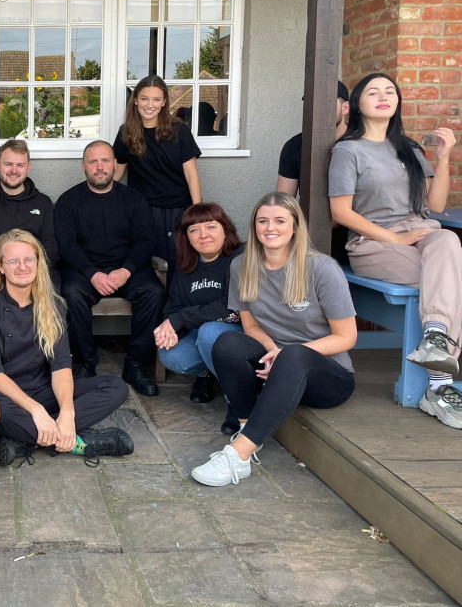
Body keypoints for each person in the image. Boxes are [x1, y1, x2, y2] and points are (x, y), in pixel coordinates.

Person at [191, 193, 357, 487]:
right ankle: (245, 427)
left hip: (328, 377)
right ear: (254, 226)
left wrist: (285, 356)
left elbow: (347, 337)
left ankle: (238, 456)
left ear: (295, 226)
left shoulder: (322, 268)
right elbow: (250, 325)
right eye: (263, 221)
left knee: (294, 355)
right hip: (277, 363)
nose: (271, 228)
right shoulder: (242, 266)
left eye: (280, 220)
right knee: (227, 342)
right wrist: (273, 352)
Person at [330, 73, 462, 429]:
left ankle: (436, 344)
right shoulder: (348, 150)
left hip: (421, 236)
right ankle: (440, 385)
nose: (384, 96)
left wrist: (445, 157)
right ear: (358, 104)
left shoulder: (410, 148)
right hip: (373, 243)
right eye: (373, 92)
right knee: (451, 282)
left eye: (390, 91)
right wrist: (394, 240)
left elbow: (434, 205)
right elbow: (341, 213)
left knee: (449, 240)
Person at [0, 229, 133, 467]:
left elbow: (61, 367)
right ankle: (81, 442)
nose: (22, 266)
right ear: (0, 267)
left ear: (38, 263)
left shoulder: (52, 305)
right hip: (4, 396)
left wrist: (67, 412)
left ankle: (28, 439)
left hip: (43, 389)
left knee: (115, 386)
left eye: (28, 259)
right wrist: (35, 410)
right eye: (13, 260)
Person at [55, 140, 166, 396]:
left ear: (115, 164)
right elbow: (66, 245)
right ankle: (85, 364)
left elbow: (145, 240)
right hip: (85, 270)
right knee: (70, 292)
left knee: (154, 292)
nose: (100, 167)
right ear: (83, 167)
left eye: (105, 160)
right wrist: (92, 273)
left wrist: (126, 270)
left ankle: (136, 365)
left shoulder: (134, 199)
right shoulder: (69, 201)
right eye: (93, 162)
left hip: (127, 269)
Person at [153, 203, 244, 409]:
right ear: (187, 237)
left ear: (225, 230)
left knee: (210, 331)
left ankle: (237, 398)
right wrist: (172, 331)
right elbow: (172, 310)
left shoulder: (239, 258)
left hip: (238, 334)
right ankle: (208, 374)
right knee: (170, 354)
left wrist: (181, 319)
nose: (203, 235)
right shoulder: (186, 267)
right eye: (194, 230)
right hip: (201, 337)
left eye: (211, 226)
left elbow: (231, 306)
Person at [113, 75, 202, 278]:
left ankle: (176, 309)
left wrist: (198, 211)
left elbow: (191, 174)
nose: (149, 105)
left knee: (180, 263)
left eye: (156, 99)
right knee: (150, 265)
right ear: (135, 100)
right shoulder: (126, 132)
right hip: (144, 211)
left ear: (163, 102)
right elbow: (117, 172)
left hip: (178, 209)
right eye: (144, 99)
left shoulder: (179, 130)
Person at [0, 139, 60, 298]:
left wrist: (26, 267)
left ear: (28, 167)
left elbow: (50, 246)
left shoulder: (42, 202)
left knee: (53, 296)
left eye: (20, 165)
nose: (14, 170)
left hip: (33, 270)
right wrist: (9, 266)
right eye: (8, 164)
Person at [277, 79, 351, 264]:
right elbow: (283, 202)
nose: (317, 109)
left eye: (325, 103)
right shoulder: (295, 146)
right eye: (311, 103)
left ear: (345, 108)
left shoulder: (361, 144)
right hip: (307, 238)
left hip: (354, 239)